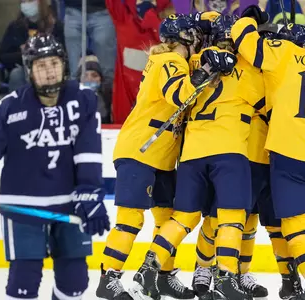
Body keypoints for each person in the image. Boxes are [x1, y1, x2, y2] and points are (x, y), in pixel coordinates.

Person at [0, 33, 109, 300]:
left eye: (53, 63)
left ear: (64, 64)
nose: (49, 72)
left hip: (69, 203)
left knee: (75, 282)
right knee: (24, 282)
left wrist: (90, 194)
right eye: (41, 66)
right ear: (30, 71)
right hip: (22, 206)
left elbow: (88, 154)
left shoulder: (84, 100)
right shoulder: (11, 107)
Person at [131, 14, 265, 300]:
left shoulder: (192, 61)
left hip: (191, 155)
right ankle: (225, 279)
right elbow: (271, 108)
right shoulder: (250, 71)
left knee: (183, 218)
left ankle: (148, 266)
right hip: (229, 152)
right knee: (230, 218)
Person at [232, 5, 305, 299]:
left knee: (294, 224)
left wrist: (249, 18)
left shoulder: (281, 53)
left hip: (289, 153)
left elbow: (243, 40)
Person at [95, 13, 207, 300]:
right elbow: (180, 95)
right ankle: (109, 279)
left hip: (160, 156)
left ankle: (163, 277)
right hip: (140, 152)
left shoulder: (171, 61)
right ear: (184, 38)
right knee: (130, 220)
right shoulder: (170, 61)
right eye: (194, 35)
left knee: (166, 217)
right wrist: (205, 71)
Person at [188, 14, 268, 300]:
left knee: (249, 221)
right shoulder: (209, 62)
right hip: (228, 150)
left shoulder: (256, 66)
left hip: (258, 153)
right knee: (214, 216)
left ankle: (239, 273)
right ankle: (204, 267)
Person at [107, 0, 176, 124]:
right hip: (127, 95)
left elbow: (170, 42)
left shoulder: (167, 23)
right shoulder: (123, 18)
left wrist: (150, 17)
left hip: (156, 96)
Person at [0, 0, 65, 92]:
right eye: (23, 1)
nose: (26, 4)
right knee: (16, 74)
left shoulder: (55, 26)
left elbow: (64, 54)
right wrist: (22, 53)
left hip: (48, 68)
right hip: (23, 70)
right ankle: (20, 105)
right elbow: (2, 56)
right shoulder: (15, 27)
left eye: (30, 1)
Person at [63, 0, 116, 82]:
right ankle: (77, 93)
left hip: (102, 10)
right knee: (75, 72)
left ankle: (107, 93)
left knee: (108, 74)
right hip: (72, 10)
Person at [76, 55, 112, 123]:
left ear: (101, 79)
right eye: (85, 75)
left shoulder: (108, 98)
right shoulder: (70, 98)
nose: (89, 79)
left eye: (94, 75)